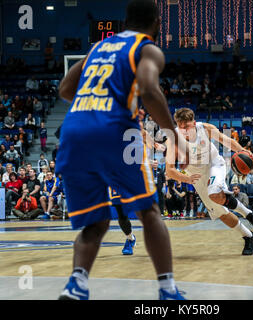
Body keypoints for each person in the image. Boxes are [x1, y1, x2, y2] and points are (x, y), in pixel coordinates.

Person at [55, 0, 190, 301]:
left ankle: (77, 284)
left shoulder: (98, 49)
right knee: (148, 211)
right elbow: (148, 87)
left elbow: (65, 88)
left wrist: (95, 99)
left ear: (125, 21)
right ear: (156, 23)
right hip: (114, 131)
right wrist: (174, 136)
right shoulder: (147, 48)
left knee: (96, 221)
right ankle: (167, 289)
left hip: (73, 133)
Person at [166, 107, 253, 257]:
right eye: (180, 126)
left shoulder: (205, 128)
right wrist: (186, 179)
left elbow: (228, 142)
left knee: (214, 193)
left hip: (214, 165)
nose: (183, 130)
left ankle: (250, 215)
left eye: (186, 126)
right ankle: (249, 237)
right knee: (222, 214)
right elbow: (169, 170)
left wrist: (242, 151)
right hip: (195, 176)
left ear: (193, 123)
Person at [109, 187, 137, 255]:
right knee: (121, 215)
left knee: (146, 213)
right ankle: (131, 238)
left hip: (132, 180)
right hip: (115, 183)